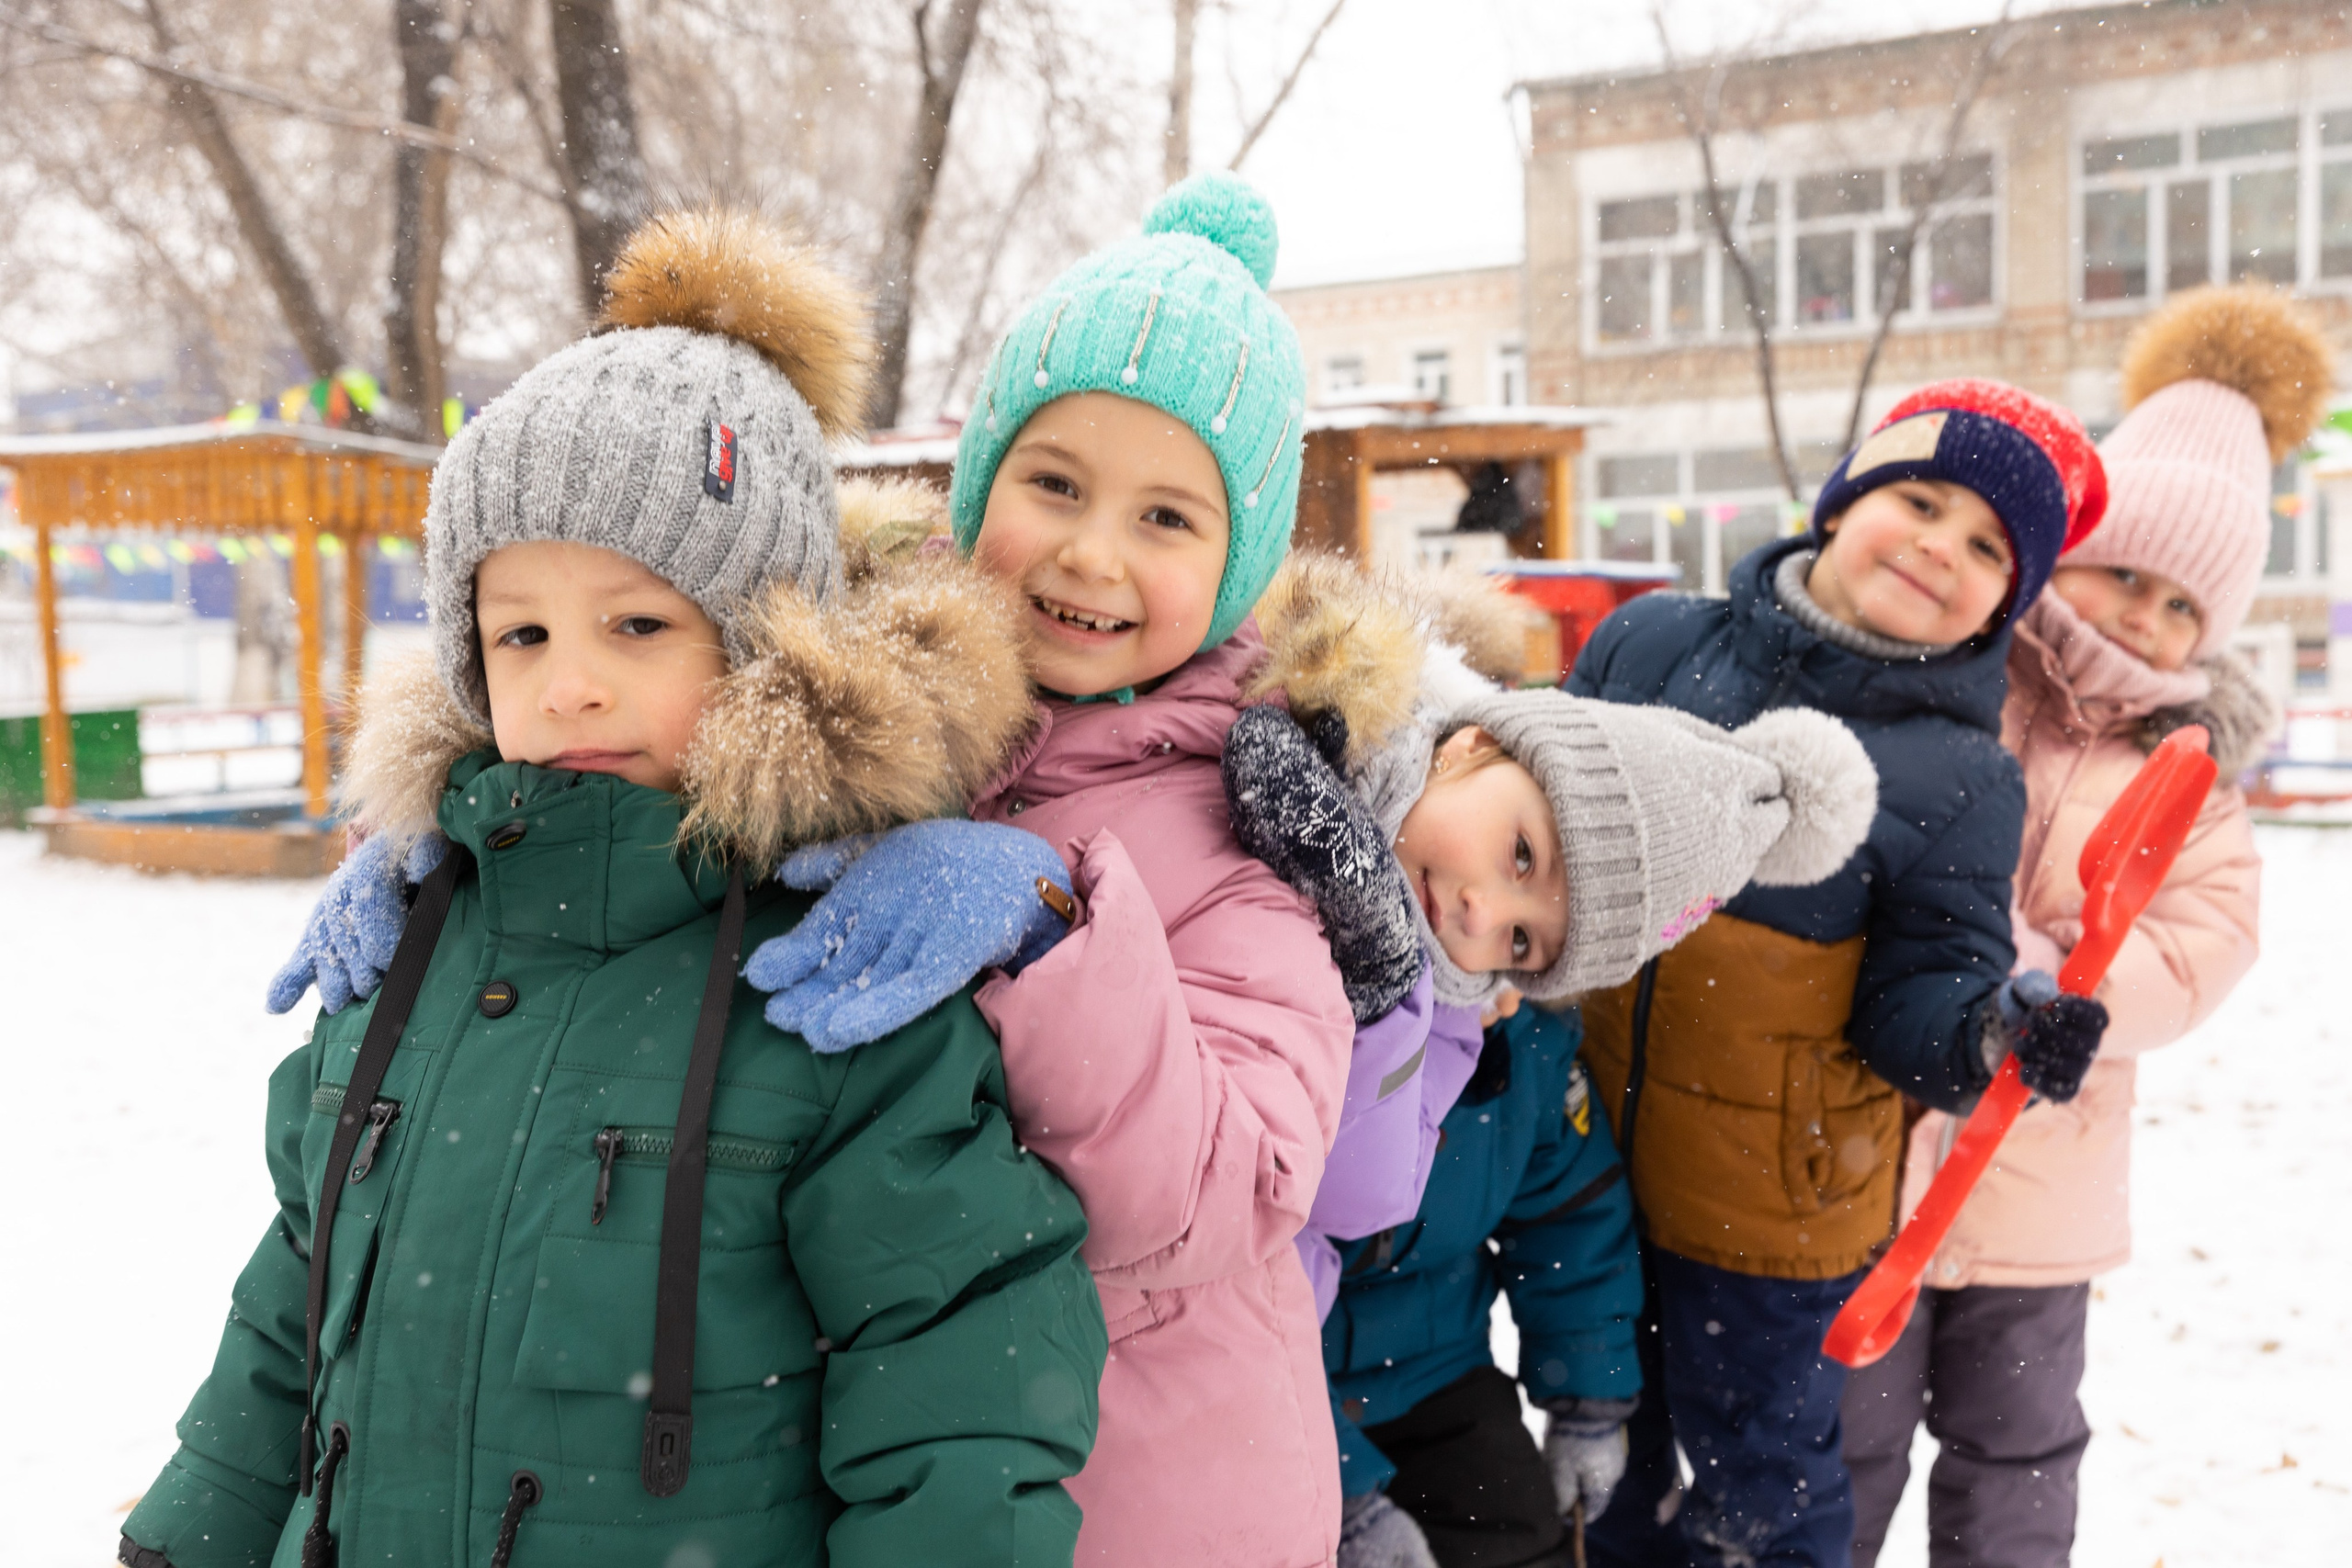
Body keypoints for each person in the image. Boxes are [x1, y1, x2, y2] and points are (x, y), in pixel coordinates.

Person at [122, 209, 1108, 1568]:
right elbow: (294, 1296)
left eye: (636, 624)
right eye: (519, 630)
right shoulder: (415, 951)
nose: (568, 679)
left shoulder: (832, 975)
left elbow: (957, 1375)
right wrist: (193, 1532)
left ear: (766, 643)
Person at [748, 172, 1360, 1568]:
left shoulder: (1252, 823)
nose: (1092, 551)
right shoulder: (850, 711)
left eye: (1167, 517)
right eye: (1056, 482)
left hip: (1142, 1488)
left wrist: (1049, 926)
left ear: (1239, 559)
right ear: (979, 485)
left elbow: (1230, 1183)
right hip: (878, 1460)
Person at [1218, 553, 1883, 1568]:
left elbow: (1567, 1210)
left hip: (1429, 1366)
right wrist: (1341, 1492)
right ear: (1475, 745)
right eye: (1523, 855)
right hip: (1264, 1376)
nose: (1486, 912)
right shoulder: (1270, 904)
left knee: (1520, 1535)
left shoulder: (1503, 1041)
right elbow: (1232, 1273)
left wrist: (1587, 1394)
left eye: (1527, 943)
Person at [1565, 379, 2119, 1568]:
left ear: (2003, 607)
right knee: (1600, 1448)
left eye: (1987, 547)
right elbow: (1531, 817)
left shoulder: (1961, 776)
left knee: (1759, 1489)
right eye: (1919, 498)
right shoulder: (1649, 641)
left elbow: (1919, 1000)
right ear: (1841, 500)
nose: (1938, 546)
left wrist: (1988, 1034)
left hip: (1776, 1214)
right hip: (1588, 1167)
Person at [1840, 286, 2324, 1568]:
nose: (2145, 621)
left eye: (2183, 608)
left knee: (2018, 1446)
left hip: (2043, 1174)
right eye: (2126, 577)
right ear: (2066, 560)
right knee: (1844, 1437)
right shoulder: (1961, 681)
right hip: (1874, 1158)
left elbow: (2207, 934)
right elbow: (1899, 838)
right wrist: (1977, 946)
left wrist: (2078, 988)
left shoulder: (2191, 770)